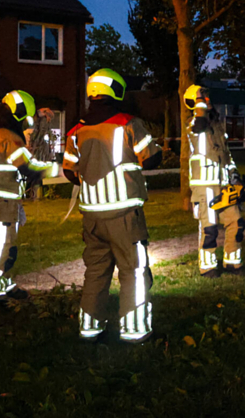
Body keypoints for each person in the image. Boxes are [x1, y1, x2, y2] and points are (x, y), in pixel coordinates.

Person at [62, 69, 162, 343]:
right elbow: (151, 158)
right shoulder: (128, 123)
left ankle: (90, 330)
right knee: (134, 271)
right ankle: (135, 331)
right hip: (124, 216)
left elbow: (69, 171)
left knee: (96, 271)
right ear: (115, 91)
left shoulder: (76, 130)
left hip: (92, 217)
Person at [0, 90, 57, 300]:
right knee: (3, 248)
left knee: (0, 244)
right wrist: (55, 170)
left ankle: (4, 283)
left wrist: (38, 115)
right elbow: (27, 166)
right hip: (2, 198)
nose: (25, 124)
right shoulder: (7, 136)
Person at [184, 84, 245, 277]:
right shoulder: (193, 125)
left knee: (236, 222)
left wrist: (236, 178)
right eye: (201, 97)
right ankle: (208, 268)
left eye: (207, 96)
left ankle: (233, 263)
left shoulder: (217, 127)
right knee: (209, 228)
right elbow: (199, 124)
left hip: (223, 185)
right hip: (204, 187)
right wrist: (199, 105)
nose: (207, 100)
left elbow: (226, 156)